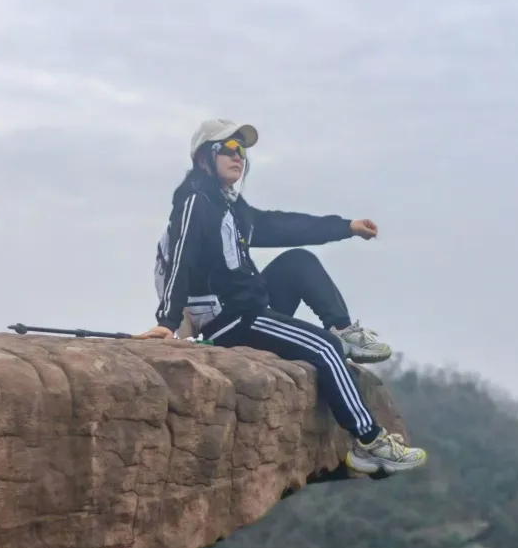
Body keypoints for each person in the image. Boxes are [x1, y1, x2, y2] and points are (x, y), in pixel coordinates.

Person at [139, 118, 427, 475]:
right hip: (228, 321)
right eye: (228, 148)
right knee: (325, 349)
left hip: (248, 308)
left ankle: (343, 329)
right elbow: (180, 260)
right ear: (203, 157)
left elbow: (282, 226)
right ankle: (369, 443)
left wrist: (346, 227)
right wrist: (167, 322)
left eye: (241, 151)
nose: (238, 156)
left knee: (298, 262)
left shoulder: (231, 208)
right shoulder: (196, 202)